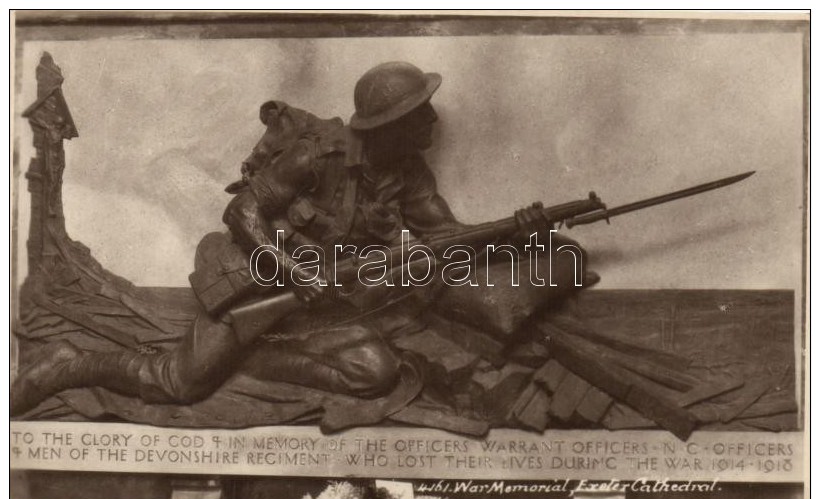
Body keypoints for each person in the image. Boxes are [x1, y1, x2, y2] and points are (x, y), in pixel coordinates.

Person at [11, 61, 588, 415]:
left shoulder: (408, 173)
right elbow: (241, 213)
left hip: (321, 310)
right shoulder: (317, 156)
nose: (433, 122)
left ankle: (250, 359)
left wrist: (519, 233)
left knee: (376, 373)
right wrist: (288, 270)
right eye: (422, 113)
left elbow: (446, 239)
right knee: (177, 384)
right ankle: (73, 364)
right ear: (391, 124)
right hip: (256, 285)